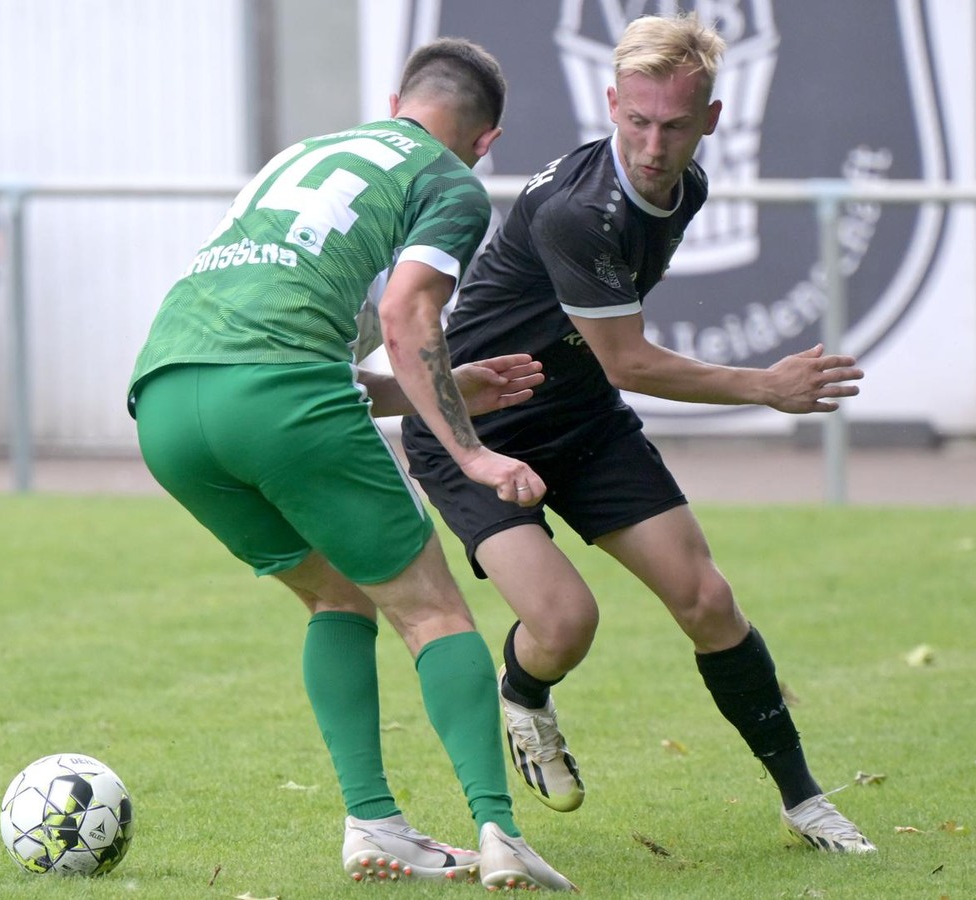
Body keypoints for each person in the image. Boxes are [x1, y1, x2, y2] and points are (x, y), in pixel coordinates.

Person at [400, 13, 876, 854]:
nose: (655, 145)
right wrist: (767, 386)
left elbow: (602, 360)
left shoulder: (683, 186)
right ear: (612, 103)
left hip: (580, 415)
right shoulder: (579, 211)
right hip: (475, 424)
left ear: (712, 121)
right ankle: (525, 695)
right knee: (565, 624)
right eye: (638, 122)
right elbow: (628, 360)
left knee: (708, 599)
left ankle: (805, 800)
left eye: (677, 126)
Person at [127, 39, 575, 891]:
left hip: (165, 403)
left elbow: (315, 343)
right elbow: (407, 315)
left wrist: (446, 390)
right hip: (278, 394)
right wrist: (471, 451)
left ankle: (374, 822)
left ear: (397, 98)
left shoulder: (300, 155)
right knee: (435, 613)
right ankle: (499, 832)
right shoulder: (447, 180)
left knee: (334, 594)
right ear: (486, 141)